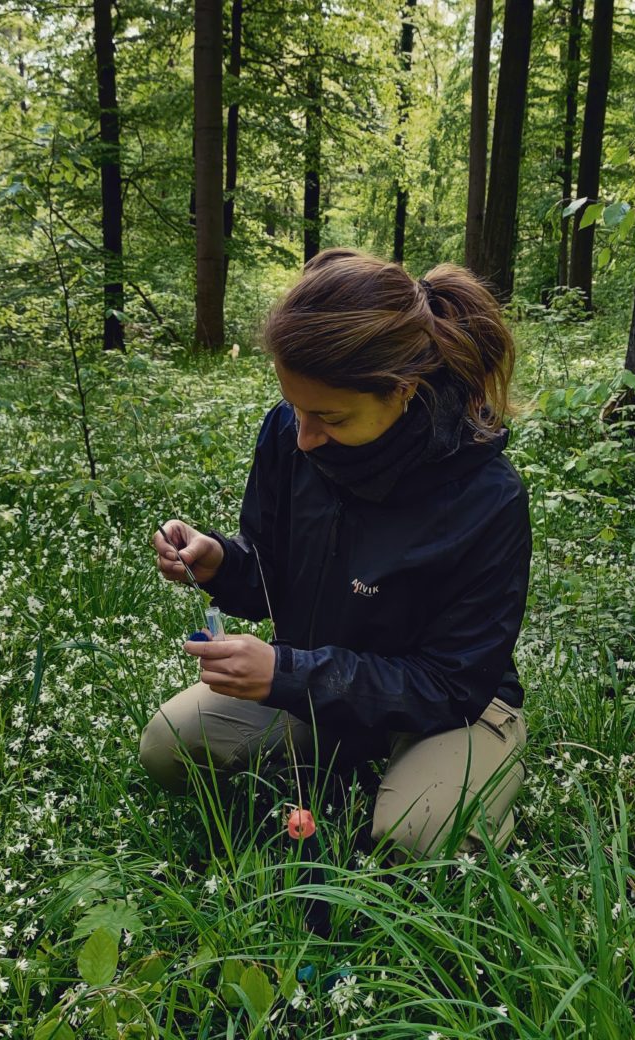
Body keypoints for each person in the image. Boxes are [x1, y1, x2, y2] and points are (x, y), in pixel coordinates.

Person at [140, 248, 531, 863]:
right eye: (293, 407)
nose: (302, 436)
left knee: (419, 837)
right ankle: (347, 768)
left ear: (403, 391)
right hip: (322, 683)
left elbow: (453, 683)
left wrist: (287, 674)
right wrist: (222, 562)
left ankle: (457, 788)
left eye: (328, 416)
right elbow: (270, 568)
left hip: (449, 709)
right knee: (169, 746)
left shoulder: (485, 496)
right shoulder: (290, 434)